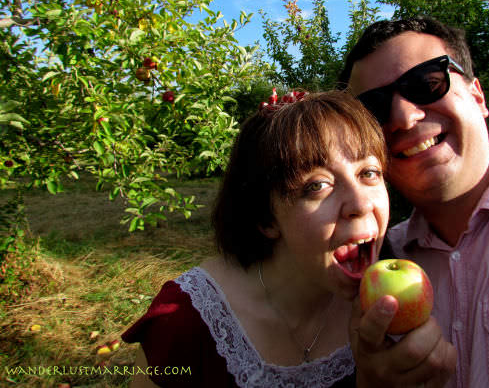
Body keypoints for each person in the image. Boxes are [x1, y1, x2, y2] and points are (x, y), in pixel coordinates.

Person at [122, 90, 455, 387]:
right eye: (317, 186)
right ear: (266, 218)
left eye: (368, 173)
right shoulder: (186, 323)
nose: (360, 203)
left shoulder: (395, 310)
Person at [339, 16, 489, 387]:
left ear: (477, 95)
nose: (404, 117)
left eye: (426, 82)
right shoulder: (381, 257)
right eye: (374, 109)